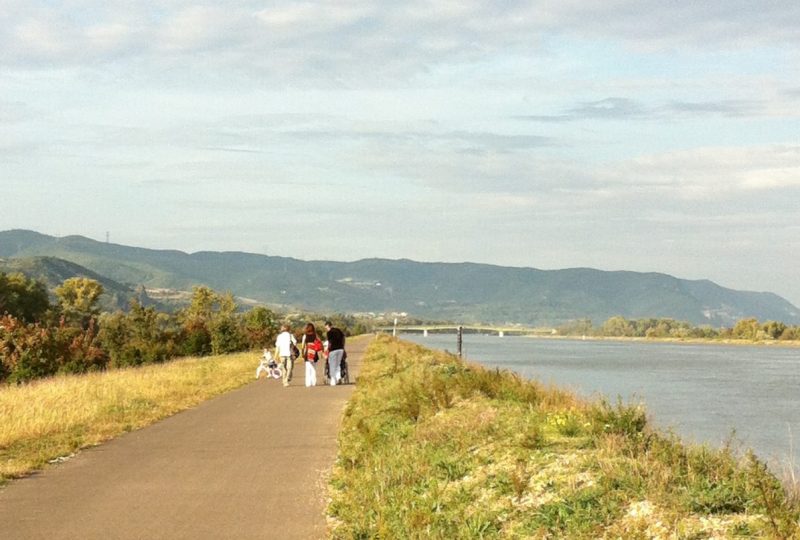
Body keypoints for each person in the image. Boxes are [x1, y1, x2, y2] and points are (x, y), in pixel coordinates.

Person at [301, 322, 323, 387]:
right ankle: (314, 382)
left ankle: (308, 383)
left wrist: (302, 353)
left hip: (308, 353)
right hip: (314, 353)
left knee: (308, 369)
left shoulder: (305, 336)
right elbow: (320, 343)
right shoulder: (316, 335)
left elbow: (302, 346)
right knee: (314, 368)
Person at [324, 320, 345, 386]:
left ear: (328, 326)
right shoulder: (338, 330)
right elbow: (343, 338)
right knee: (338, 364)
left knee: (332, 365)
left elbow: (330, 342)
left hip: (333, 350)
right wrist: (343, 346)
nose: (326, 329)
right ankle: (338, 377)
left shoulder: (329, 333)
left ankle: (333, 380)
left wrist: (328, 349)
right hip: (340, 349)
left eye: (326, 328)